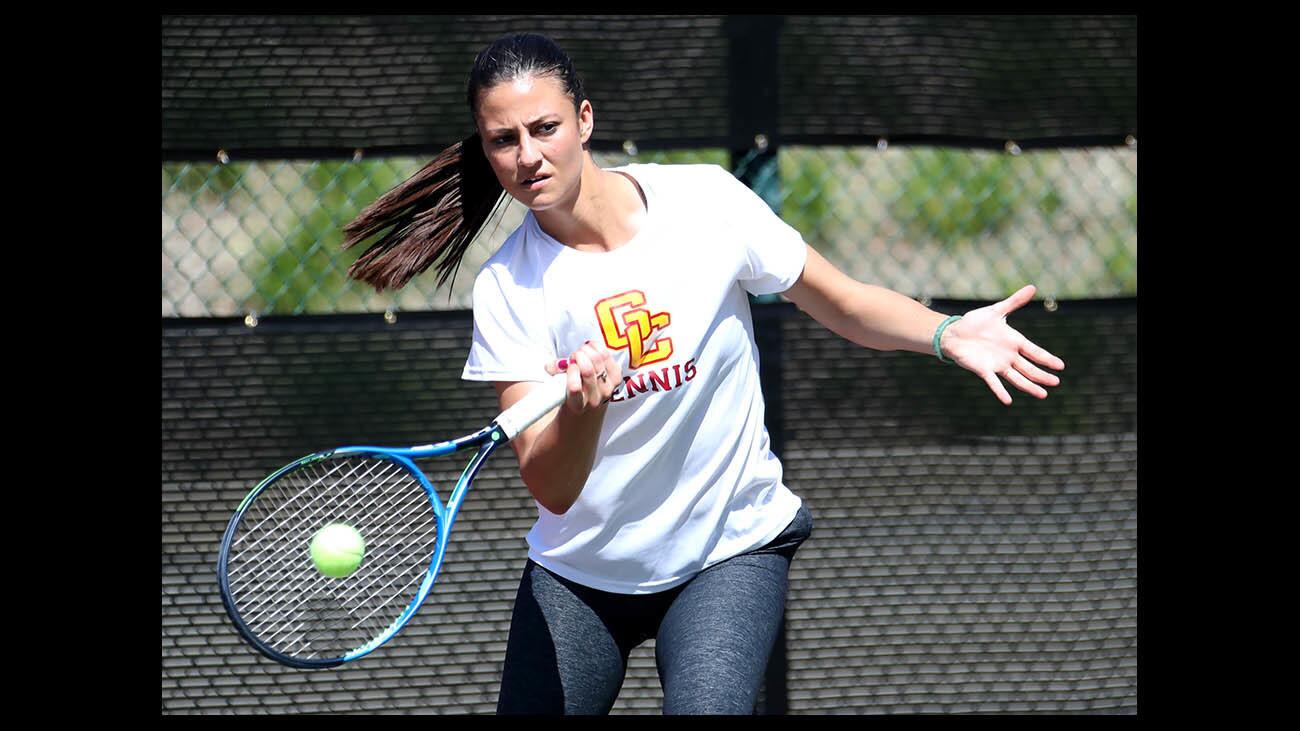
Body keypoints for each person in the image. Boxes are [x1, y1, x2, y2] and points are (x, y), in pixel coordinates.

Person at [342, 33, 1065, 715]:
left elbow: (842, 302)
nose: (529, 155)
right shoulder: (508, 285)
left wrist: (945, 332)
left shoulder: (706, 201)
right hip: (581, 575)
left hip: (729, 549)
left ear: (585, 120)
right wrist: (584, 411)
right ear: (488, 149)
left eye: (545, 127)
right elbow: (552, 485)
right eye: (505, 139)